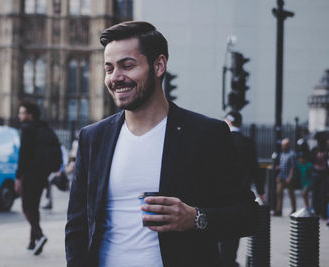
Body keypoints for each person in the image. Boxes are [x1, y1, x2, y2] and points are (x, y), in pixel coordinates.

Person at [65, 21, 258, 267]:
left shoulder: (207, 134)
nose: (116, 77)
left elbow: (248, 215)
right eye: (109, 68)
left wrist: (196, 217)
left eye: (127, 65)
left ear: (158, 66)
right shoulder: (92, 138)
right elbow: (77, 226)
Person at [219, 111, 264, 267]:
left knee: (219, 228)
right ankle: (229, 260)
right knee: (233, 231)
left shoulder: (221, 139)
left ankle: (223, 260)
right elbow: (255, 168)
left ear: (229, 121)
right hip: (240, 193)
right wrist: (261, 190)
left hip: (220, 193)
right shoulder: (247, 142)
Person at [15, 99, 48, 255]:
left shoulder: (27, 129)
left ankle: (40, 235)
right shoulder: (44, 127)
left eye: (22, 113)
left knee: (26, 207)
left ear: (30, 114)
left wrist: (18, 176)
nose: (19, 116)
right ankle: (32, 241)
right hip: (42, 173)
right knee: (34, 206)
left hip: (29, 174)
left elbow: (23, 156)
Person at [274, 138, 297, 216]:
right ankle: (278, 210)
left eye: (283, 145)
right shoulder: (282, 153)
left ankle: (294, 209)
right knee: (279, 193)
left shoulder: (292, 154)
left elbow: (293, 167)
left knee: (291, 194)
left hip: (288, 177)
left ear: (288, 145)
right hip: (281, 176)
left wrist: (290, 177)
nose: (282, 147)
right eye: (282, 145)